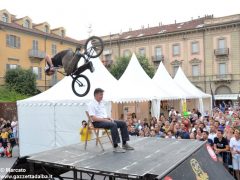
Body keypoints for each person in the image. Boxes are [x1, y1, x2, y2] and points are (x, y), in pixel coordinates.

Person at [87, 88, 134, 153]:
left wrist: (109, 118)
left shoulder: (101, 103)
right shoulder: (91, 104)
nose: (102, 96)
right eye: (101, 95)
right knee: (113, 125)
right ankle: (115, 146)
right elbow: (93, 118)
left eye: (102, 95)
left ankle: (124, 144)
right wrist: (105, 120)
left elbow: (104, 115)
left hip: (104, 120)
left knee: (123, 123)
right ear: (96, 95)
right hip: (97, 122)